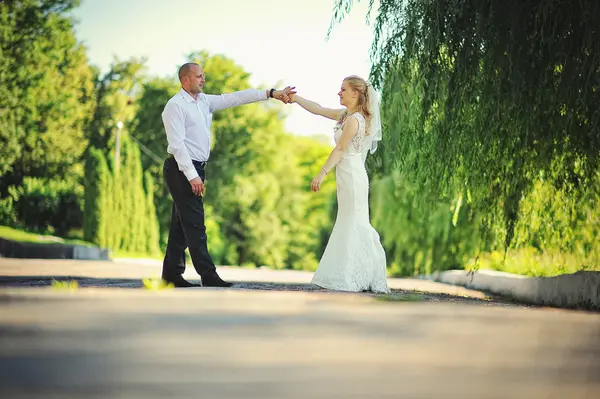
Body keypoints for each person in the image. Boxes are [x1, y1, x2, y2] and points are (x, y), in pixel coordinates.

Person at [161, 62, 295, 288]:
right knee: (195, 225)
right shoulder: (175, 106)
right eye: (198, 76)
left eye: (204, 75)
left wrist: (272, 94)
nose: (203, 79)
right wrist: (193, 176)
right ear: (185, 80)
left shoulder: (203, 101)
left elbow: (236, 98)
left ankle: (171, 275)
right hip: (181, 169)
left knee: (180, 227)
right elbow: (177, 145)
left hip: (196, 168)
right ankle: (208, 275)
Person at [289, 75, 389, 293]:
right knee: (348, 220)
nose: (339, 93)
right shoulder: (346, 115)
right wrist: (296, 99)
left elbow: (340, 149)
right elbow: (319, 109)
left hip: (352, 176)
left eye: (343, 89)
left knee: (354, 221)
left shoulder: (355, 120)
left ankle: (359, 274)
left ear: (355, 93)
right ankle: (352, 272)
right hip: (347, 176)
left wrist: (321, 173)